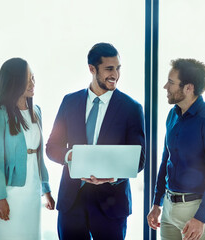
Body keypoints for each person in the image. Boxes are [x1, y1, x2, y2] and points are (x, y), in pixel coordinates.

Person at [46, 42, 146, 240]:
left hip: (111, 204)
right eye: (109, 69)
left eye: (118, 68)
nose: (115, 75)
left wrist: (112, 176)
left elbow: (139, 159)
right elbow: (52, 147)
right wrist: (70, 155)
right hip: (72, 202)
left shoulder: (131, 108)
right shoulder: (70, 102)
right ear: (92, 69)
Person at [147, 58, 205, 240]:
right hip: (168, 208)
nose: (165, 87)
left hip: (196, 211)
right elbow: (166, 161)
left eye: (171, 82)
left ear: (188, 88)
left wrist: (200, 219)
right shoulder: (172, 114)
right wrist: (156, 203)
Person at [0, 57, 55, 240]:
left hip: (32, 192)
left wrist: (46, 190)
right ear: (13, 81)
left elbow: (39, 157)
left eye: (33, 77)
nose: (32, 83)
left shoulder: (37, 112)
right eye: (27, 78)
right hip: (10, 192)